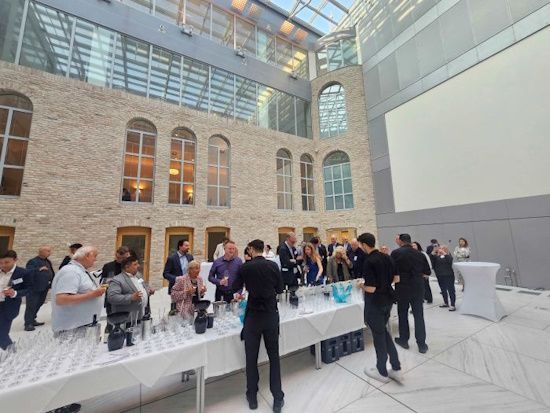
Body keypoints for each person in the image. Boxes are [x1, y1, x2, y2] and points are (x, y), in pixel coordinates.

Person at [51, 246, 106, 413]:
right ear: (87, 255)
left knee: (76, 365)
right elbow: (62, 299)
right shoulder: (70, 272)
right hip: (71, 328)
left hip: (82, 325)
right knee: (67, 365)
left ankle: (67, 399)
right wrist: (93, 295)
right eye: (94, 256)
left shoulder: (80, 271)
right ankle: (57, 405)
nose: (95, 260)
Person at [232, 240, 284, 413]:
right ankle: (277, 398)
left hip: (253, 317)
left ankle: (252, 396)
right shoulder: (273, 266)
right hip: (270, 315)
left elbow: (235, 288)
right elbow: (280, 289)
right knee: (274, 357)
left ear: (251, 250)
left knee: (251, 357)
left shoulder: (245, 267)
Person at [356, 233, 401, 383]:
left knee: (379, 337)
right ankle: (396, 368)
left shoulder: (369, 261)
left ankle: (381, 371)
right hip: (388, 301)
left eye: (360, 245)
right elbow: (396, 278)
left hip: (375, 304)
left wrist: (361, 285)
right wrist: (384, 283)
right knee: (383, 333)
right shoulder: (387, 257)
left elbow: (371, 288)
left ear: (364, 245)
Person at [391, 234, 431, 354]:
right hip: (418, 287)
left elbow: (391, 271)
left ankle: (404, 340)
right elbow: (427, 271)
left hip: (402, 287)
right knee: (419, 315)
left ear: (400, 241)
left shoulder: (396, 253)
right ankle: (421, 344)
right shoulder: (420, 254)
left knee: (402, 314)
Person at [0, 250, 31, 350]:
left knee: (1, 333)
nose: (3, 265)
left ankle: (12, 354)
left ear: (15, 260)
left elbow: (29, 289)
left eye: (6, 262)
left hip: (7, 307)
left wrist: (15, 293)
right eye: (0, 262)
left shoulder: (23, 273)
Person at [24, 246, 55, 331]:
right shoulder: (33, 261)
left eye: (50, 251)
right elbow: (28, 272)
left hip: (44, 287)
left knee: (39, 303)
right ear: (41, 252)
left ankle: (32, 320)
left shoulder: (47, 261)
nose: (50, 253)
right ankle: (28, 324)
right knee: (31, 305)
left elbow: (51, 272)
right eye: (48, 251)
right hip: (34, 288)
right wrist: (39, 269)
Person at [163, 240, 193, 315]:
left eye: (188, 246)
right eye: (186, 245)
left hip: (189, 287)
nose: (188, 247)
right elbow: (165, 274)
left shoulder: (190, 257)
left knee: (189, 309)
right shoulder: (172, 258)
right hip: (176, 288)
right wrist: (177, 279)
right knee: (176, 311)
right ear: (180, 246)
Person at [433, 245, 456, 311]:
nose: (441, 249)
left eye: (443, 248)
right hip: (440, 275)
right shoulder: (437, 256)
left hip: (448, 275)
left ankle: (453, 304)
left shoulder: (448, 256)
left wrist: (444, 253)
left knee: (451, 290)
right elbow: (433, 263)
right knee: (443, 290)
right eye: (440, 248)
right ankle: (446, 302)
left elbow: (450, 261)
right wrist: (434, 253)